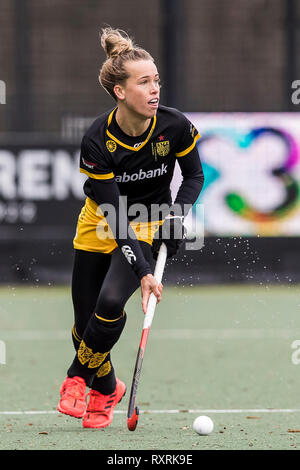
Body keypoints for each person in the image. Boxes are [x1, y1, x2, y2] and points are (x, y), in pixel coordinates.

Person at [57, 27, 204, 429]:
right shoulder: (97, 141)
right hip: (102, 221)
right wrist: (142, 271)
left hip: (148, 221)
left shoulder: (174, 126)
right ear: (120, 92)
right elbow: (114, 214)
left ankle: (77, 380)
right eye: (144, 82)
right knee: (83, 321)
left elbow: (193, 177)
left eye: (156, 79)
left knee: (108, 304)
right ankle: (107, 390)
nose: (155, 89)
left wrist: (176, 215)